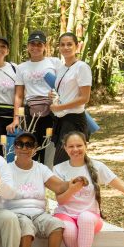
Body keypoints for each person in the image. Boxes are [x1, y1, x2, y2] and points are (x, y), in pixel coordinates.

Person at [5, 132, 68, 247]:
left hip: (39, 212)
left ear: (35, 149)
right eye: (20, 144)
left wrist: (74, 182)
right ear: (14, 147)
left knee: (57, 225)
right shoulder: (7, 169)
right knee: (25, 227)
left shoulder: (41, 169)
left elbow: (59, 186)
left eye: (29, 145)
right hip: (16, 212)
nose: (24, 148)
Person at [8, 31, 57, 162]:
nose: (35, 47)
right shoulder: (21, 67)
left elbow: (63, 85)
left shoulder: (54, 62)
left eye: (39, 44)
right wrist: (16, 119)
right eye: (32, 44)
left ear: (45, 46)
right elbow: (18, 95)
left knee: (49, 147)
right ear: (28, 46)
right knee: (30, 147)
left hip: (51, 110)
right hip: (31, 111)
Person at [50, 33, 92, 164]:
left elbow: (85, 98)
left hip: (74, 120)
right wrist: (54, 97)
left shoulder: (82, 67)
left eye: (69, 44)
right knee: (64, 164)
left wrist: (60, 107)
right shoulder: (62, 68)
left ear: (77, 46)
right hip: (60, 119)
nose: (66, 47)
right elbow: (65, 93)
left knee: (64, 161)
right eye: (62, 44)